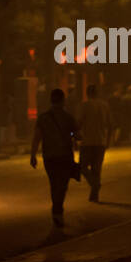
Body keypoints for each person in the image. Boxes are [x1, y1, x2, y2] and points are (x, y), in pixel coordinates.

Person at [29, 88, 80, 227]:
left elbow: (36, 138)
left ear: (51, 100)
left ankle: (56, 211)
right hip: (64, 156)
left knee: (54, 184)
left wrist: (33, 155)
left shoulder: (43, 118)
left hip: (49, 157)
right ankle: (58, 210)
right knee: (62, 186)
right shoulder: (68, 117)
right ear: (63, 101)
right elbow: (77, 135)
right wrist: (71, 136)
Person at [78, 84, 113, 202]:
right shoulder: (105, 106)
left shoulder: (85, 105)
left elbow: (79, 123)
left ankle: (94, 184)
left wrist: (73, 137)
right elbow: (110, 125)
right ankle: (94, 195)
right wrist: (108, 140)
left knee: (82, 167)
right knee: (96, 169)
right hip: (101, 142)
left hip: (87, 142)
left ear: (87, 93)